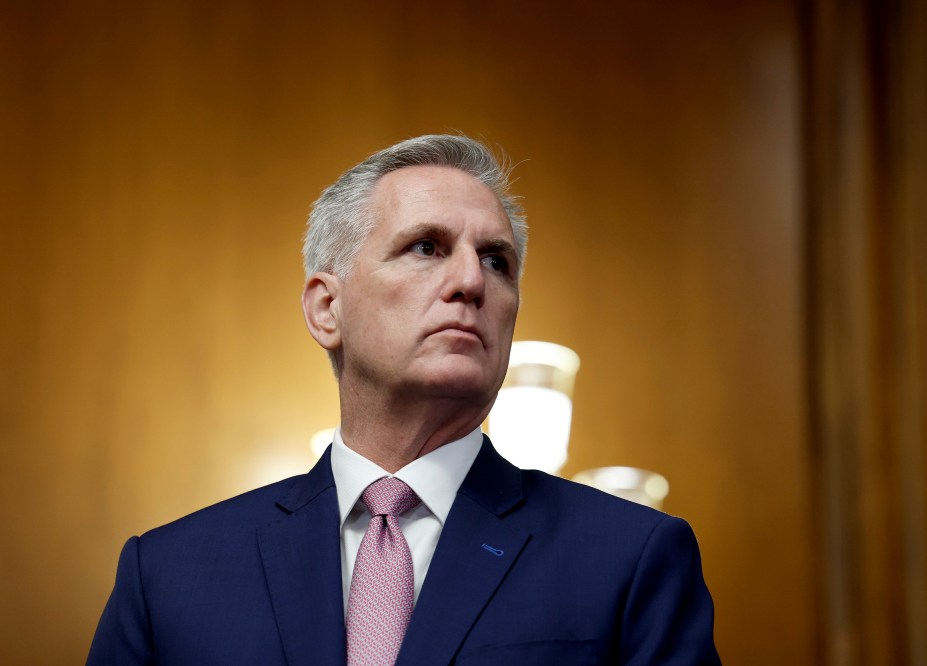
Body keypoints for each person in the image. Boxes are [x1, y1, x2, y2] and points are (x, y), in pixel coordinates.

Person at [88, 134, 721, 665]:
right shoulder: (168, 575)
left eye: (496, 261)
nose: (471, 281)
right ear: (327, 308)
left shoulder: (632, 558)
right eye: (427, 247)